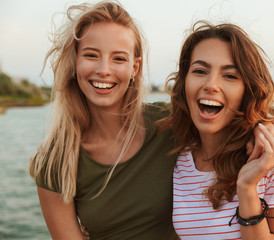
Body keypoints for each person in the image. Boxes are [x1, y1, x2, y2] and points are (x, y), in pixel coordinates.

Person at [28, 1, 179, 239]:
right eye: (91, 55)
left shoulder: (170, 123)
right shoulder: (54, 160)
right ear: (75, 61)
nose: (104, 70)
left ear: (134, 68)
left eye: (118, 59)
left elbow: (234, 128)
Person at [161, 21, 274, 239]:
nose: (211, 84)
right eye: (200, 71)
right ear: (184, 82)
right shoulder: (179, 162)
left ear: (247, 91)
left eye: (229, 75)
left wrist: (248, 188)